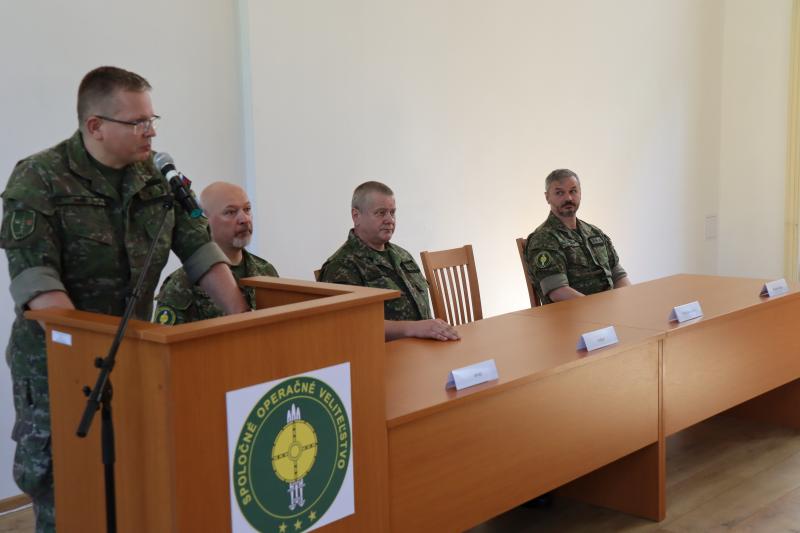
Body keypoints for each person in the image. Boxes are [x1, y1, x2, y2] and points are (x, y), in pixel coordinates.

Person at [0, 66, 248, 532]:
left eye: (152, 120)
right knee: (70, 497)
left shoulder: (157, 179)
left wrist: (241, 318)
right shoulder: (39, 179)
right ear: (95, 125)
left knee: (135, 486)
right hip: (58, 367)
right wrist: (90, 358)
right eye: (138, 122)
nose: (150, 131)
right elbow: (39, 286)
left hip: (135, 362)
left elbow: (200, 251)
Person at [320, 181, 459, 341]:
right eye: (381, 213)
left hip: (423, 347)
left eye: (392, 213)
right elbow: (348, 325)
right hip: (382, 353)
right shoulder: (341, 266)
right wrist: (413, 328)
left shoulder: (403, 255)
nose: (390, 220)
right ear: (356, 216)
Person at [154, 181, 278, 324]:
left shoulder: (266, 271)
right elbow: (167, 338)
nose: (245, 219)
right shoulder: (181, 284)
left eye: (247, 209)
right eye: (230, 212)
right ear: (205, 220)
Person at [525, 168, 630, 305]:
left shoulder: (595, 233)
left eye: (573, 191)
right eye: (559, 193)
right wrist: (601, 310)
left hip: (609, 310)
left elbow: (619, 276)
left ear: (580, 193)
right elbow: (558, 292)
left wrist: (627, 301)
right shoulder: (543, 239)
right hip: (572, 315)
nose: (568, 198)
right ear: (547, 197)